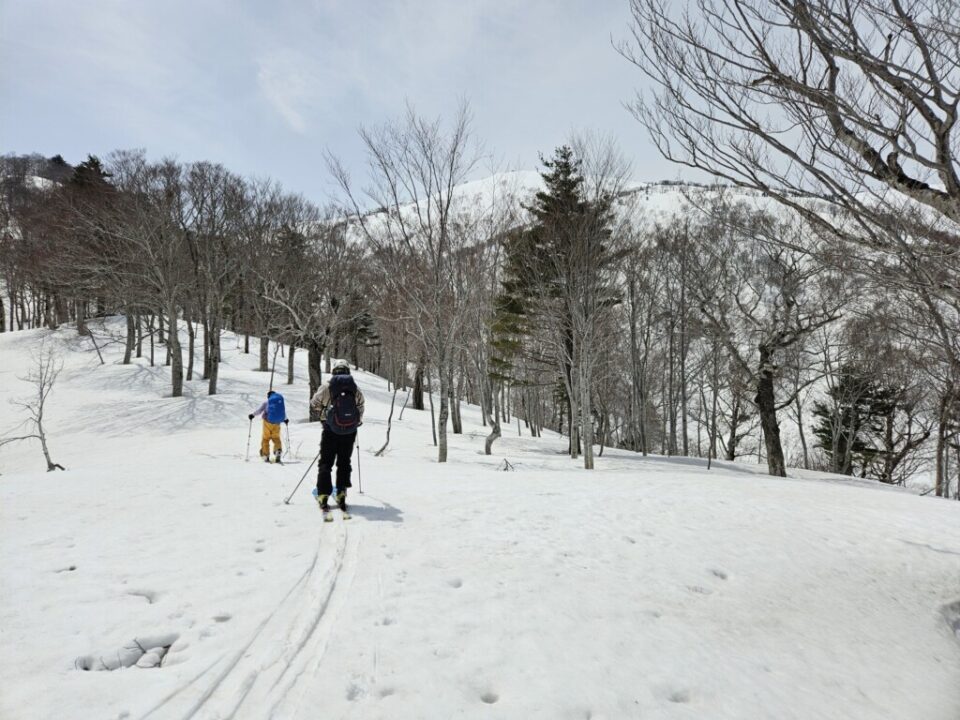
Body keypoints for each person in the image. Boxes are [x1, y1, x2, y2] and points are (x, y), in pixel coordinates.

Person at [309, 360, 364, 512]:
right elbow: (360, 405)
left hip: (330, 430)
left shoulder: (326, 386)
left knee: (326, 463)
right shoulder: (354, 388)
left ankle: (323, 496)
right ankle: (341, 494)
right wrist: (356, 421)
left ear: (334, 371)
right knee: (344, 462)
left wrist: (325, 413)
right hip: (349, 432)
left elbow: (314, 403)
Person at [249, 390, 288, 463]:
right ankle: (278, 450)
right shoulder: (278, 403)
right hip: (277, 423)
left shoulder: (266, 402)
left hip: (267, 422)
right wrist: (285, 419)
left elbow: (259, 411)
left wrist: (252, 415)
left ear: (269, 396)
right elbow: (282, 412)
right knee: (276, 438)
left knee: (265, 439)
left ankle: (265, 455)